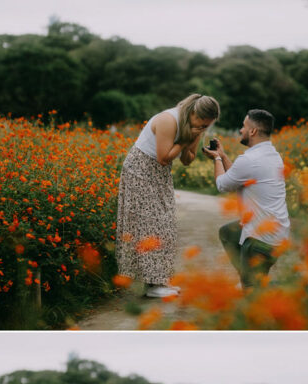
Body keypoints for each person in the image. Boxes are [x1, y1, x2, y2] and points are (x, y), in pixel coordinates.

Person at [117, 94, 220, 298]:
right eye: (202, 123)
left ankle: (158, 281)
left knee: (166, 222)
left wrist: (194, 138)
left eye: (207, 126)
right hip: (141, 169)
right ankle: (152, 285)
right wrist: (185, 139)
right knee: (151, 224)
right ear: (193, 113)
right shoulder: (168, 120)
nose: (203, 128)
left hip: (158, 173)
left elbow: (188, 160)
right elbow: (164, 157)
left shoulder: (193, 126)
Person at [203, 109, 290, 289]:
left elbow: (222, 185)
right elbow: (238, 176)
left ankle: (293, 287)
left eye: (243, 126)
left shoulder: (250, 159)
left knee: (253, 297)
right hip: (278, 234)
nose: (241, 130)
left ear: (253, 131)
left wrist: (217, 159)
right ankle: (248, 277)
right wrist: (224, 156)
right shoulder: (272, 155)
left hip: (261, 240)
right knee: (228, 233)